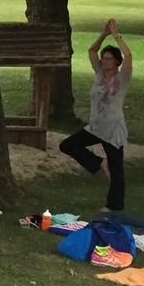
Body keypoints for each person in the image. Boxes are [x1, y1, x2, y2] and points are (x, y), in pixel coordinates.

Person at [59, 18, 132, 212]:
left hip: (112, 129)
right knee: (67, 145)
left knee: (116, 170)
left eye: (109, 58)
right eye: (104, 58)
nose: (105, 61)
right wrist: (103, 34)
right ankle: (99, 162)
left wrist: (116, 35)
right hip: (95, 127)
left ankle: (114, 206)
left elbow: (128, 54)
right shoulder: (99, 73)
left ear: (116, 61)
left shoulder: (122, 78)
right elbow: (91, 51)